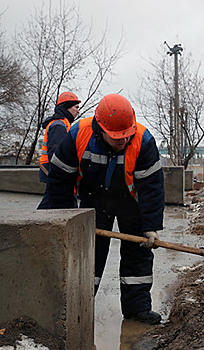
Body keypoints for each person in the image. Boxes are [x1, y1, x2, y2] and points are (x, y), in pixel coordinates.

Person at [47, 93, 165, 325]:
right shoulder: (78, 134)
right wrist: (63, 217)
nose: (123, 141)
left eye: (126, 135)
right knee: (89, 253)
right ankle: (79, 304)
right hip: (94, 198)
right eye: (116, 137)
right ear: (100, 128)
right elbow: (59, 180)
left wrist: (150, 227)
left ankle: (137, 308)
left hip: (131, 201)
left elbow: (153, 188)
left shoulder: (143, 140)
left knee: (137, 252)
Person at [37, 92, 80, 209]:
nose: (78, 111)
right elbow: (57, 153)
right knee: (55, 201)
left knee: (51, 202)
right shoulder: (59, 125)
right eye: (76, 107)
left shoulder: (63, 124)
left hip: (51, 170)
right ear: (67, 107)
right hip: (53, 170)